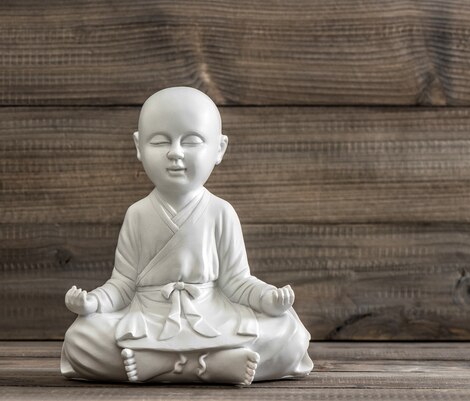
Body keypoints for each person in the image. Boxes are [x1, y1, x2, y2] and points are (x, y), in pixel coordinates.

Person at [61, 87, 313, 385]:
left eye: (191, 141)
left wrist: (267, 299)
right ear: (139, 146)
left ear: (219, 149)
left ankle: (162, 365)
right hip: (150, 317)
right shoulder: (138, 214)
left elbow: (236, 281)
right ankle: (211, 365)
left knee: (289, 331)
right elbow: (123, 284)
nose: (175, 152)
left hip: (211, 314)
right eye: (160, 141)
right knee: (81, 338)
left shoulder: (221, 212)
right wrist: (94, 303)